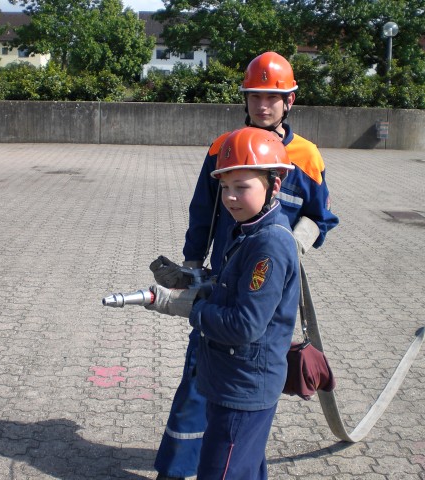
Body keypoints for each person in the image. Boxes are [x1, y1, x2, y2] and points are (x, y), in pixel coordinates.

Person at [150, 51, 339, 480]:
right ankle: (177, 469)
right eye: (255, 96)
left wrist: (290, 244)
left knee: (246, 385)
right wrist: (191, 266)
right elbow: (203, 211)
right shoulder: (226, 146)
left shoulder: (305, 157)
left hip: (265, 288)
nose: (262, 105)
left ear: (289, 101)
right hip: (221, 283)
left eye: (272, 97)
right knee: (199, 375)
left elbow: (322, 217)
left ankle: (232, 463)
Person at [146, 127, 300, 479]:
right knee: (244, 469)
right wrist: (196, 283)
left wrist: (191, 308)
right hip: (230, 379)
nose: (230, 198)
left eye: (242, 187)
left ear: (274, 185)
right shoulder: (245, 229)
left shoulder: (269, 245)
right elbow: (231, 288)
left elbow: (244, 325)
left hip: (243, 387)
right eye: (225, 187)